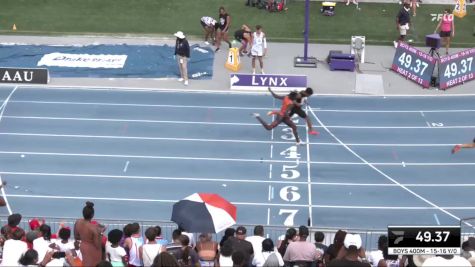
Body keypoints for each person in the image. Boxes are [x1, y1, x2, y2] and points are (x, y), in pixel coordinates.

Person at [74, 201, 102, 267]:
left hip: (83, 246)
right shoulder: (94, 228)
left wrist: (85, 238)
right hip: (92, 250)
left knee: (85, 263)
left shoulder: (78, 222)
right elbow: (97, 245)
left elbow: (76, 236)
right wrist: (100, 233)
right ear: (92, 215)